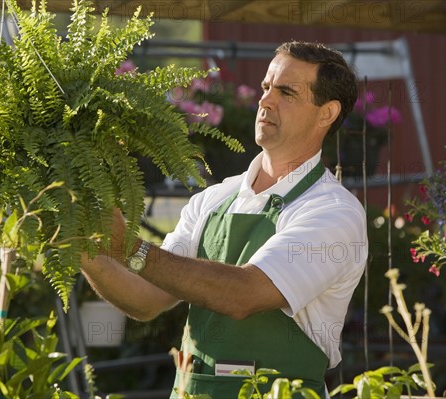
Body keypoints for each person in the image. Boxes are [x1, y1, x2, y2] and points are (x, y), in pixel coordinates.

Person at [81, 40, 368, 398]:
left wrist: (129, 247)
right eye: (266, 87)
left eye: (286, 92)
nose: (265, 101)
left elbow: (244, 294)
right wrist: (84, 246)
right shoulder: (213, 199)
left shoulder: (332, 211)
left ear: (326, 113)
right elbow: (146, 299)